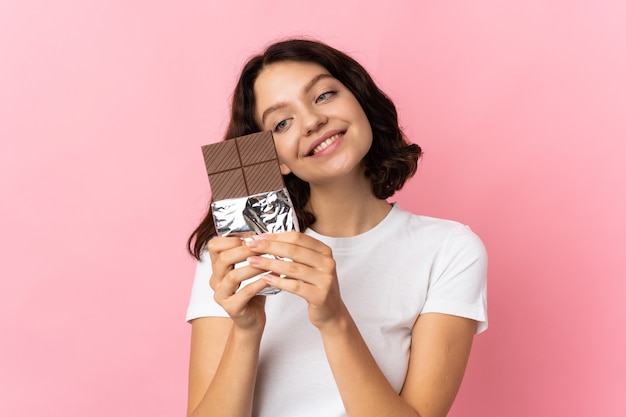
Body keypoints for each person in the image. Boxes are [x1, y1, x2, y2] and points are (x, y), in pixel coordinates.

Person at [185, 38, 488, 417]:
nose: (312, 121)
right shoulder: (237, 254)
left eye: (324, 95)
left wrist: (333, 318)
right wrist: (246, 329)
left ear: (359, 100)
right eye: (281, 122)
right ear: (272, 157)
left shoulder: (449, 250)